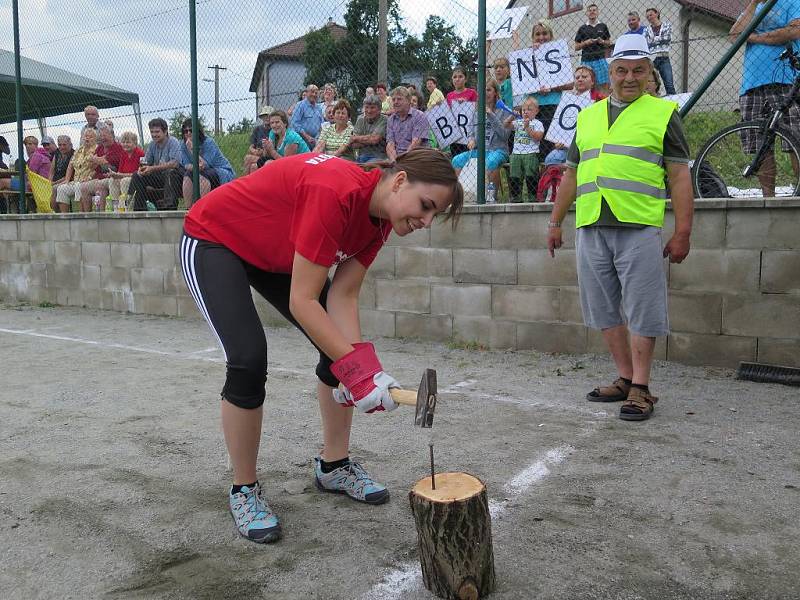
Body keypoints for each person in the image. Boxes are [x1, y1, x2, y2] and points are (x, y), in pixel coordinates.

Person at [180, 149, 463, 544]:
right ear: (400, 181)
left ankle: (334, 466)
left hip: (274, 255)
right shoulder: (335, 192)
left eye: (435, 214)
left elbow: (343, 297)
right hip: (216, 238)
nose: (427, 221)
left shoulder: (379, 219)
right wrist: (357, 370)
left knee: (339, 352)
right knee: (247, 359)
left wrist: (360, 370)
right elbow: (303, 301)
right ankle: (244, 489)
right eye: (426, 206)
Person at [546, 34, 694, 422]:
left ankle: (642, 387)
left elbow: (679, 177)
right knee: (603, 307)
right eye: (622, 70)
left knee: (643, 307)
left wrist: (683, 231)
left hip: (639, 223)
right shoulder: (588, 116)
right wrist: (555, 221)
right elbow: (572, 174)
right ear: (609, 72)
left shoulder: (664, 114)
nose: (630, 78)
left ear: (649, 73)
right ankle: (626, 378)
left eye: (639, 71)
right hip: (592, 223)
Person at [729, 0, 800, 197]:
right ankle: (768, 198)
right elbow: (734, 35)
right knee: (760, 144)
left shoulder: (792, 1)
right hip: (751, 83)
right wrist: (753, 4)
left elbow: (793, 31)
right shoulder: (755, 7)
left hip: (786, 79)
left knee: (795, 139)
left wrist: (755, 38)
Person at [514, 20, 574, 160]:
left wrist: (551, 87)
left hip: (553, 106)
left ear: (551, 35)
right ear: (533, 37)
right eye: (537, 34)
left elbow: (570, 84)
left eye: (545, 33)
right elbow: (521, 83)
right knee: (535, 147)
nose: (541, 37)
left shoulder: (559, 53)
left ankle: (552, 177)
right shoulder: (526, 55)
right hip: (533, 107)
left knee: (551, 145)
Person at [451, 78, 510, 195]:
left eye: (488, 90)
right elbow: (471, 132)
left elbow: (504, 135)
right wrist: (471, 140)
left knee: (491, 162)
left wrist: (491, 114)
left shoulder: (504, 111)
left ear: (495, 93)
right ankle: (460, 196)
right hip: (480, 150)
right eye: (483, 91)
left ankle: (491, 197)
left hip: (498, 150)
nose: (485, 93)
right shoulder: (477, 112)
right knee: (456, 160)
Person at [129, 118, 183, 211]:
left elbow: (174, 163)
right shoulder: (152, 144)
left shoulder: (173, 142)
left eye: (157, 132)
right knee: (136, 175)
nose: (154, 135)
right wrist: (142, 170)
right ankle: (139, 209)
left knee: (170, 172)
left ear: (165, 131)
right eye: (152, 132)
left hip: (175, 177)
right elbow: (146, 162)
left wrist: (152, 168)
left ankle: (169, 208)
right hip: (158, 176)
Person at [180, 119, 235, 208]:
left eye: (191, 130)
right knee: (187, 175)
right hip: (200, 170)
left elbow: (203, 165)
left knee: (202, 175)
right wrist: (194, 167)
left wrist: (192, 149)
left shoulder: (208, 142)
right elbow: (186, 165)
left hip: (220, 170)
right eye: (185, 131)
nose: (188, 133)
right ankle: (189, 209)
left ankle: (202, 208)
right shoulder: (183, 145)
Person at [504, 97, 544, 203]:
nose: (526, 112)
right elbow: (505, 125)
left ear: (536, 111)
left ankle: (533, 197)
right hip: (516, 153)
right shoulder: (518, 122)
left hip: (531, 153)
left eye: (529, 109)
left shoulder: (537, 123)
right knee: (515, 176)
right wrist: (512, 116)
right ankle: (516, 197)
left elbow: (538, 137)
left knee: (531, 175)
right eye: (523, 110)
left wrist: (527, 128)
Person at [54, 129, 100, 212]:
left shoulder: (97, 149)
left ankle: (80, 214)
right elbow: (70, 165)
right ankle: (64, 216)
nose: (87, 138)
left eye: (90, 137)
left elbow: (97, 168)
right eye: (86, 136)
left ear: (95, 139)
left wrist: (89, 178)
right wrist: (67, 180)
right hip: (76, 180)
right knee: (61, 188)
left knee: (79, 186)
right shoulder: (79, 150)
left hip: (89, 180)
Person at [574, 4, 613, 94]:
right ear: (586, 13)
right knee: (586, 87)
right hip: (586, 61)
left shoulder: (603, 26)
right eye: (590, 10)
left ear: (598, 12)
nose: (592, 12)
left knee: (604, 86)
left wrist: (602, 41)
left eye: (594, 10)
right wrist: (586, 43)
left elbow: (609, 43)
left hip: (600, 59)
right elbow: (576, 47)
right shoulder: (582, 28)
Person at [84, 126, 126, 210]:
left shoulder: (118, 147)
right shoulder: (100, 148)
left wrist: (96, 160)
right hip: (99, 177)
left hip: (113, 177)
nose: (103, 138)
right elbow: (92, 165)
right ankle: (86, 215)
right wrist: (98, 161)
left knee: (101, 185)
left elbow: (111, 166)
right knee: (83, 187)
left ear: (112, 136)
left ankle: (102, 213)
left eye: (105, 136)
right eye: (101, 136)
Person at [386, 87, 430, 160]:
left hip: (417, 157)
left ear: (408, 101)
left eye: (399, 99)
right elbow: (390, 145)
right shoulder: (391, 119)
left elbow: (416, 143)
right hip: (397, 158)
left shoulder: (419, 116)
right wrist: (394, 161)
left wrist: (402, 160)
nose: (395, 102)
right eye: (393, 99)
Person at [446, 67, 478, 157]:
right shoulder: (449, 95)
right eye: (455, 77)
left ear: (465, 79)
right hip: (455, 134)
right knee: (455, 158)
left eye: (460, 76)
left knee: (468, 158)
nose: (457, 79)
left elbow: (476, 110)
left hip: (468, 132)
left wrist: (465, 103)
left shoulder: (472, 93)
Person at [107, 131, 144, 209]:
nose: (125, 144)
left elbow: (137, 173)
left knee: (125, 181)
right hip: (124, 176)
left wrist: (119, 175)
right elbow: (120, 171)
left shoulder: (139, 153)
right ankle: (115, 206)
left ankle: (125, 206)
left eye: (128, 142)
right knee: (112, 180)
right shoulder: (123, 154)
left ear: (135, 143)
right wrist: (114, 175)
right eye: (123, 142)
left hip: (135, 178)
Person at [644, 8, 676, 95]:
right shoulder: (646, 29)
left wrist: (653, 40)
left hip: (664, 57)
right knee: (651, 83)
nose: (649, 18)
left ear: (657, 14)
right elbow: (647, 43)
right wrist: (659, 39)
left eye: (651, 15)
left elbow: (667, 39)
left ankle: (673, 104)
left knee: (669, 84)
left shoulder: (667, 25)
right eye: (647, 16)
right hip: (651, 59)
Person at [348, 95, 388, 163]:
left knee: (367, 167)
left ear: (379, 109)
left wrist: (356, 138)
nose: (369, 111)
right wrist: (370, 139)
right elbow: (354, 145)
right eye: (366, 107)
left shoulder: (384, 119)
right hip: (361, 156)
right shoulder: (360, 119)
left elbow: (375, 139)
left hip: (379, 157)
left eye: (372, 108)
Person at [290, 84, 324, 149]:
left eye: (316, 93)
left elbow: (321, 124)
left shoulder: (319, 108)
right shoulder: (300, 105)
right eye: (312, 92)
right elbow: (295, 123)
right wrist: (307, 136)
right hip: (302, 140)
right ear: (307, 93)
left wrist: (317, 138)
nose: (314, 94)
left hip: (315, 141)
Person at [244, 106, 274, 175]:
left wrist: (262, 151)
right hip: (257, 155)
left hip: (269, 156)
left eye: (269, 116)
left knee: (248, 158)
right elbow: (251, 146)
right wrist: (254, 151)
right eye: (264, 116)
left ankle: (244, 181)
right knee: (253, 166)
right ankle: (249, 182)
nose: (267, 118)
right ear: (262, 117)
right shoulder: (257, 129)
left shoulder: (274, 130)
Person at [49, 135, 74, 210]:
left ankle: (55, 213)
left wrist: (53, 183)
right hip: (55, 180)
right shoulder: (57, 153)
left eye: (64, 145)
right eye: (60, 145)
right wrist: (49, 181)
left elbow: (69, 176)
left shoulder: (73, 154)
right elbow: (51, 171)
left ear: (70, 145)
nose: (62, 147)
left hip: (67, 180)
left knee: (54, 188)